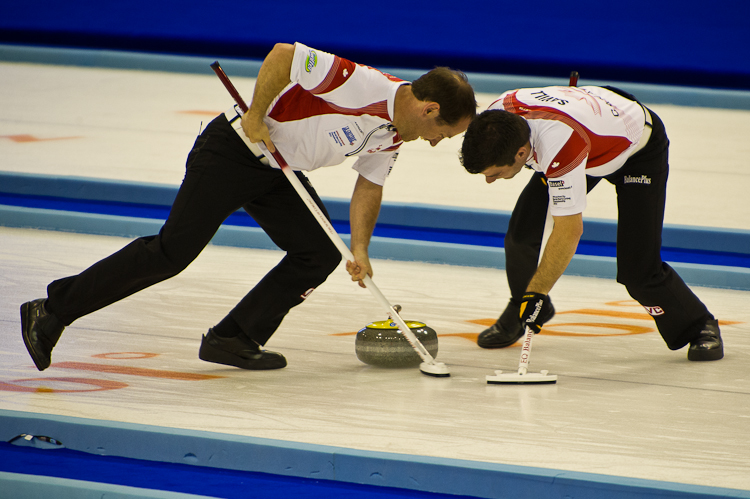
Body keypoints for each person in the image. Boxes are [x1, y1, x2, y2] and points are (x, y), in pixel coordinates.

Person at [20, 42, 477, 372]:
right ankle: (52, 309)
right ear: (429, 108)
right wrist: (257, 113)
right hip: (234, 149)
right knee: (171, 252)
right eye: (445, 133)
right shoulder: (362, 84)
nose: (438, 143)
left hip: (279, 170)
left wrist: (359, 249)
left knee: (318, 253)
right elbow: (283, 55)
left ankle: (233, 337)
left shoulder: (395, 134)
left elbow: (368, 187)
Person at [459, 85, 722, 361]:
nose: (489, 181)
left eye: (495, 173)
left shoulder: (559, 145)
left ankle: (699, 325)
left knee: (638, 271)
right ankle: (525, 307)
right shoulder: (494, 118)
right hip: (589, 132)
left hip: (636, 152)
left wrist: (538, 290)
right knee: (521, 235)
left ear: (521, 153)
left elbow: (568, 231)